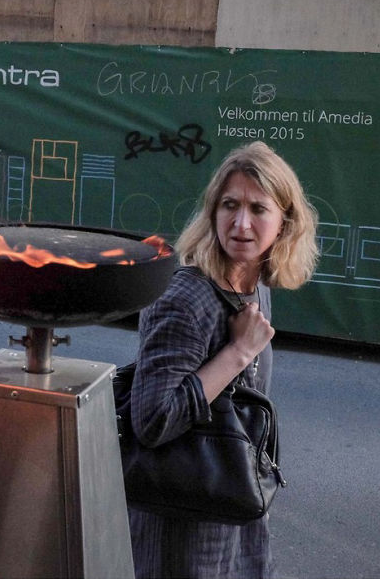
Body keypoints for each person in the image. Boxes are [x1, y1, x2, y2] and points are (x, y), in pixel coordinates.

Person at [126, 141, 318, 578]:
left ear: (285, 223)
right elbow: (153, 420)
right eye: (230, 205)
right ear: (212, 212)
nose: (241, 223)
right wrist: (238, 352)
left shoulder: (253, 284)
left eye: (258, 208)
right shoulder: (185, 298)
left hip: (233, 505)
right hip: (184, 523)